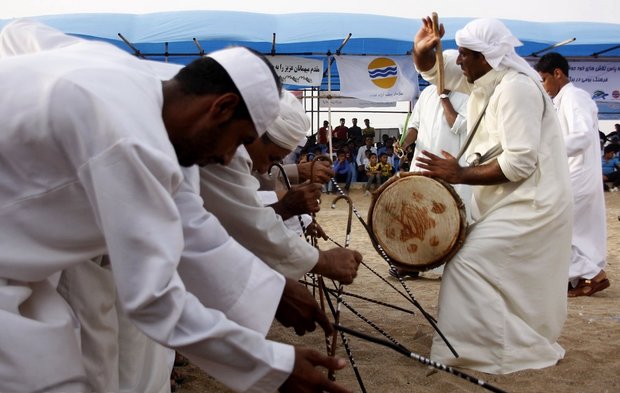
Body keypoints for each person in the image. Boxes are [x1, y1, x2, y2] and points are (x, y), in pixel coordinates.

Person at [0, 19, 350, 393]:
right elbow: (153, 298)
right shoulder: (132, 140)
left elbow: (194, 228)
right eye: (239, 140)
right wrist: (273, 366)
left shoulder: (137, 87)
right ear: (222, 106)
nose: (227, 157)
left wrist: (274, 291)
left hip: (25, 272)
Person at [413, 17, 573, 374]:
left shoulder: (516, 89)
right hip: (508, 199)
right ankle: (491, 341)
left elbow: (520, 164)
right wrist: (422, 51)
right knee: (496, 272)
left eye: (465, 55)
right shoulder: (483, 80)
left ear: (485, 57)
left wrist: (459, 174)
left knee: (468, 263)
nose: (458, 62)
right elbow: (432, 70)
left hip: (533, 202)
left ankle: (488, 350)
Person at [200, 91, 362, 280]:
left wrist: (294, 196)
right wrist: (322, 261)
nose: (264, 169)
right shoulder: (226, 153)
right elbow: (247, 223)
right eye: (273, 158)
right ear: (253, 134)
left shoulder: (243, 148)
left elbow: (253, 193)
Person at [535, 52, 610, 297]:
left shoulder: (576, 97)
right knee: (574, 231)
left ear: (558, 74)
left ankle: (593, 275)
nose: (544, 87)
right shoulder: (561, 100)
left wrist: (543, 151)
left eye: (545, 79)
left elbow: (582, 137)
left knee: (551, 225)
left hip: (577, 175)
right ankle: (578, 278)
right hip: (571, 172)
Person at [390, 81, 469, 279]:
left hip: (450, 167)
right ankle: (412, 263)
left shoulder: (468, 93)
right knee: (417, 214)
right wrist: (404, 143)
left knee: (448, 217)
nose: (437, 79)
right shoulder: (426, 93)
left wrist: (444, 98)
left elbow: (459, 126)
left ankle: (448, 266)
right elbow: (415, 126)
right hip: (422, 163)